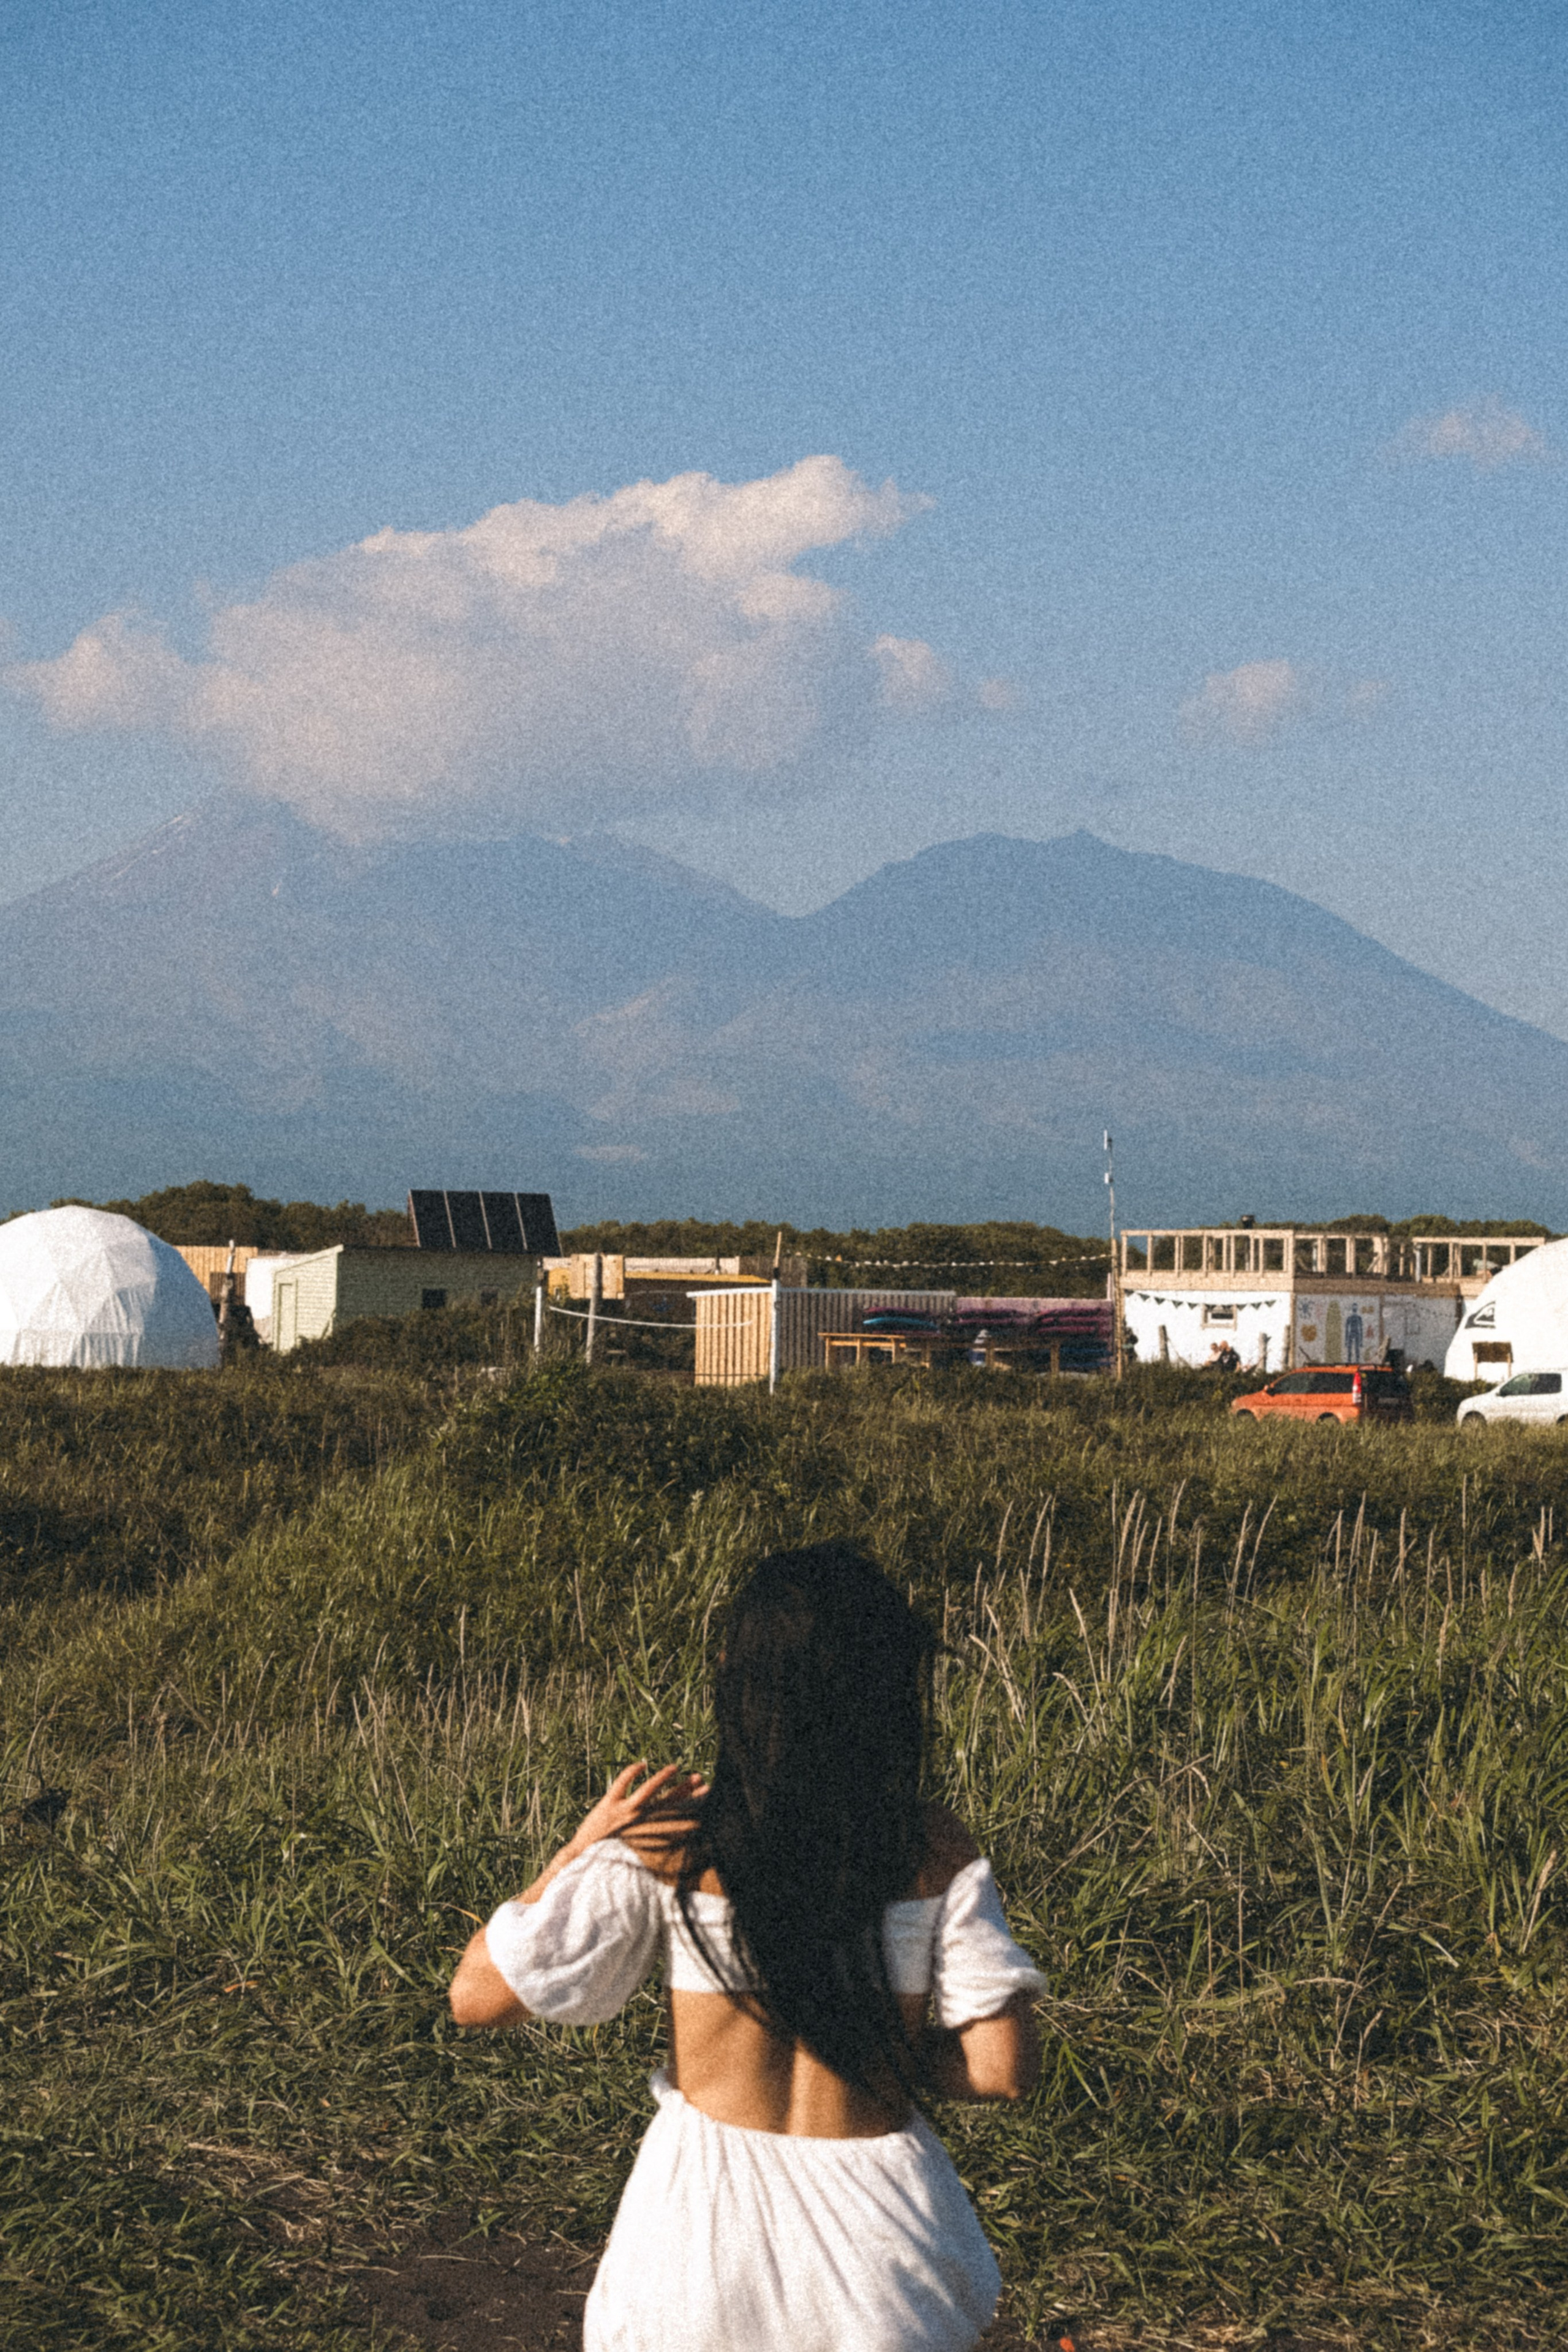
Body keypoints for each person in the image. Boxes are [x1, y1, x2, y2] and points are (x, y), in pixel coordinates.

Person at [448, 1542, 1045, 2352]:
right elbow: (1000, 2068)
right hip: (882, 2247)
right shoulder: (932, 1849)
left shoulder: (674, 1848)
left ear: (739, 1679)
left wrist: (573, 1857)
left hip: (695, 2243)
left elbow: (476, 1998)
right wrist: (884, 2056)